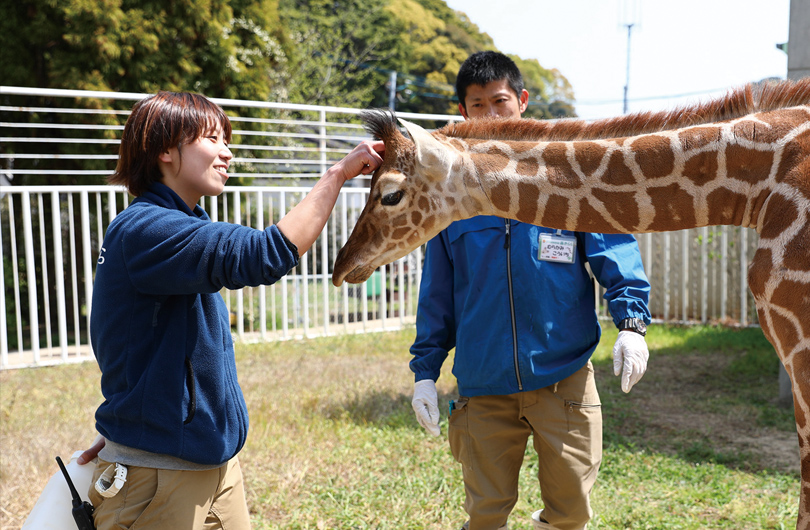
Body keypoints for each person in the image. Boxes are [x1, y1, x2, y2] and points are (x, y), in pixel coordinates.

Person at [80, 91, 383, 529]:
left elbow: (138, 346)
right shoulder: (147, 228)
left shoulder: (183, 223)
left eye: (227, 140)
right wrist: (339, 173)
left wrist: (132, 418)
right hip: (159, 479)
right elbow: (265, 255)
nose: (227, 152)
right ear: (165, 150)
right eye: (212, 138)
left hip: (214, 467)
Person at [410, 51, 652, 530]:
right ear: (463, 113)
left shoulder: (564, 179)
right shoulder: (450, 197)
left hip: (563, 378)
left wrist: (631, 324)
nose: (490, 115)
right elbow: (437, 293)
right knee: (484, 515)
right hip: (481, 386)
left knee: (571, 514)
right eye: (477, 105)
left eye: (499, 101)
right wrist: (424, 371)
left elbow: (612, 249)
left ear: (521, 101)